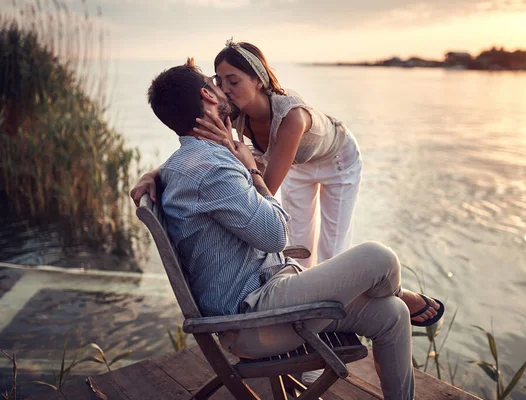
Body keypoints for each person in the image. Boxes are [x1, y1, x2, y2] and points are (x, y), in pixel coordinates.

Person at [132, 59, 445, 400]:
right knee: (379, 257)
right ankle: (397, 291)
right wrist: (252, 171)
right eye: (217, 83)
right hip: (255, 321)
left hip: (270, 298)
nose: (225, 90)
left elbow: (192, 168)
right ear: (208, 95)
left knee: (391, 314)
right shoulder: (213, 168)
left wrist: (156, 173)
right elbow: (276, 236)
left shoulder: (188, 163)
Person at [133, 40, 362, 268]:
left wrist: (243, 164)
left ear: (258, 80)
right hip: (295, 164)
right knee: (300, 243)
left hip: (337, 160)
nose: (225, 90)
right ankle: (312, 298)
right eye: (219, 82)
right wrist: (154, 174)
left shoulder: (292, 117)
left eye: (233, 81)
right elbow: (192, 147)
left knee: (333, 248)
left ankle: (343, 299)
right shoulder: (233, 113)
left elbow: (266, 196)